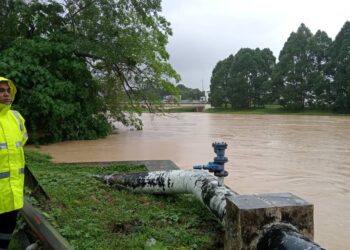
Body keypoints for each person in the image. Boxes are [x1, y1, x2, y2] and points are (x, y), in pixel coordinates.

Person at [0, 76, 28, 250]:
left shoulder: (16, 118)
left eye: (8, 90)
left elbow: (22, 141)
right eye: (1, 91)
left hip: (12, 190)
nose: (6, 94)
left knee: (7, 228)